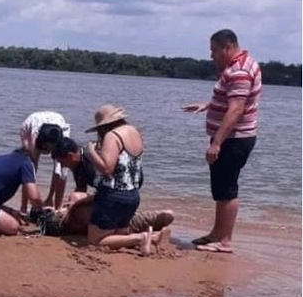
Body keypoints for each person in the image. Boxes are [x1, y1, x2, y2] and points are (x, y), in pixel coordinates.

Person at [182, 29, 261, 254]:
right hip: (234, 137)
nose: (211, 56)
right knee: (221, 188)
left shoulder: (240, 71)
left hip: (234, 139)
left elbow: (236, 109)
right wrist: (208, 105)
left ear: (227, 47)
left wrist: (216, 143)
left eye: (214, 50)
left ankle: (225, 240)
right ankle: (217, 233)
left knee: (227, 189)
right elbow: (233, 100)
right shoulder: (242, 64)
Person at [47, 137, 173, 245]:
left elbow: (105, 189)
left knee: (101, 229)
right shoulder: (77, 165)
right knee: (124, 220)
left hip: (120, 190)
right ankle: (156, 222)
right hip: (118, 195)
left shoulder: (91, 160)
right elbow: (82, 189)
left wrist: (76, 205)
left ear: (70, 156)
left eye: (62, 162)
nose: (62, 166)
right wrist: (76, 205)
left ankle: (153, 225)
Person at [78, 104, 157, 255]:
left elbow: (107, 168)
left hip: (113, 195)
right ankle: (152, 238)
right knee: (118, 235)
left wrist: (91, 153)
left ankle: (142, 237)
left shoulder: (112, 136)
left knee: (95, 241)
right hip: (132, 194)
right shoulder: (135, 132)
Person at [20, 111, 70, 212]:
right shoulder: (34, 138)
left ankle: (55, 205)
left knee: (62, 169)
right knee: (29, 167)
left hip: (58, 122)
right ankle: (24, 207)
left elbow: (61, 173)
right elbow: (29, 173)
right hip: (32, 123)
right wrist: (28, 206)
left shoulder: (62, 137)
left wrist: (56, 208)